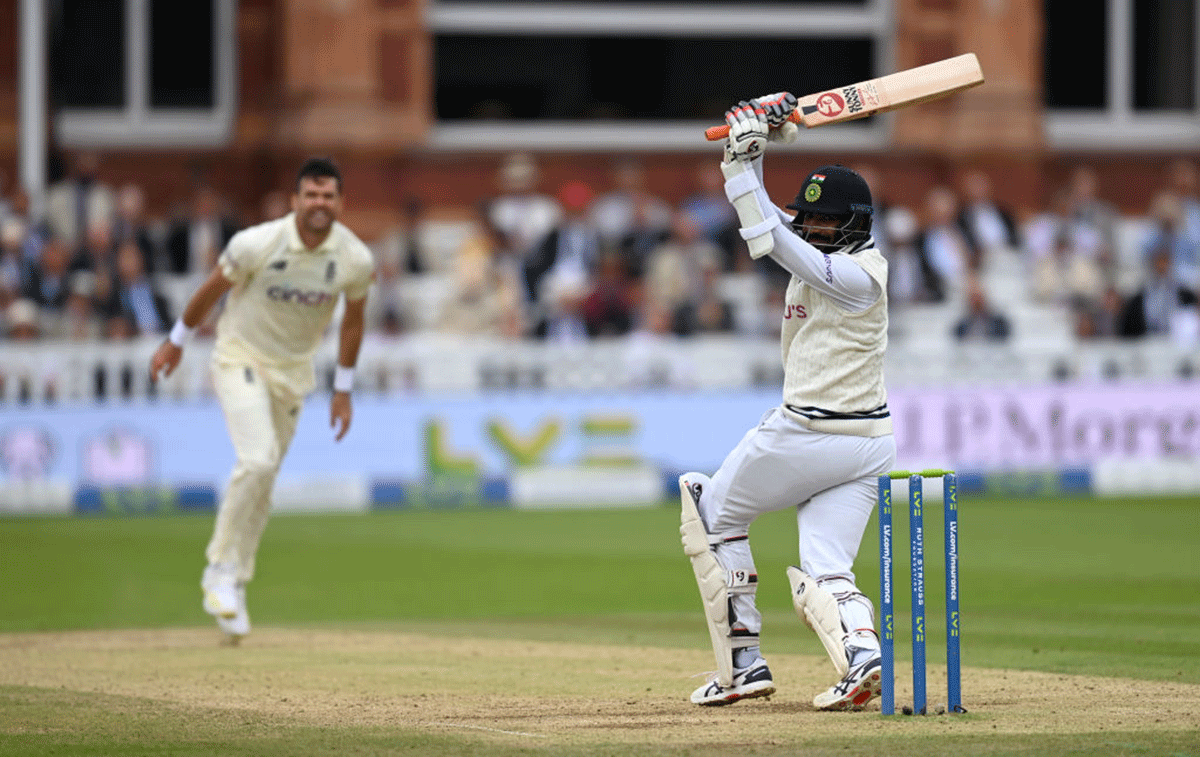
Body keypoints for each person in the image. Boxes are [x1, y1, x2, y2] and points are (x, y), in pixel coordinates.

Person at [679, 94, 894, 711]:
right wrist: (745, 157)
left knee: (708, 511)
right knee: (826, 568)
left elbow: (768, 238)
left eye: (824, 222)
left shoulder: (857, 277)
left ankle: (742, 664)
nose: (812, 226)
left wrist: (743, 162)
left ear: (854, 224)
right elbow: (773, 221)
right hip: (868, 446)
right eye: (809, 218)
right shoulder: (822, 251)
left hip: (810, 434)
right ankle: (862, 656)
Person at [149, 158, 375, 642]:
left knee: (265, 479)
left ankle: (236, 578)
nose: (320, 204)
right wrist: (176, 340)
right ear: (295, 200)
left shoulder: (354, 258)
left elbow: (354, 322)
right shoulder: (257, 243)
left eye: (328, 196)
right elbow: (211, 290)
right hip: (240, 357)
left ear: (340, 202)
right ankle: (218, 569)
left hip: (294, 374)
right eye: (311, 195)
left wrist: (343, 390)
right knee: (257, 459)